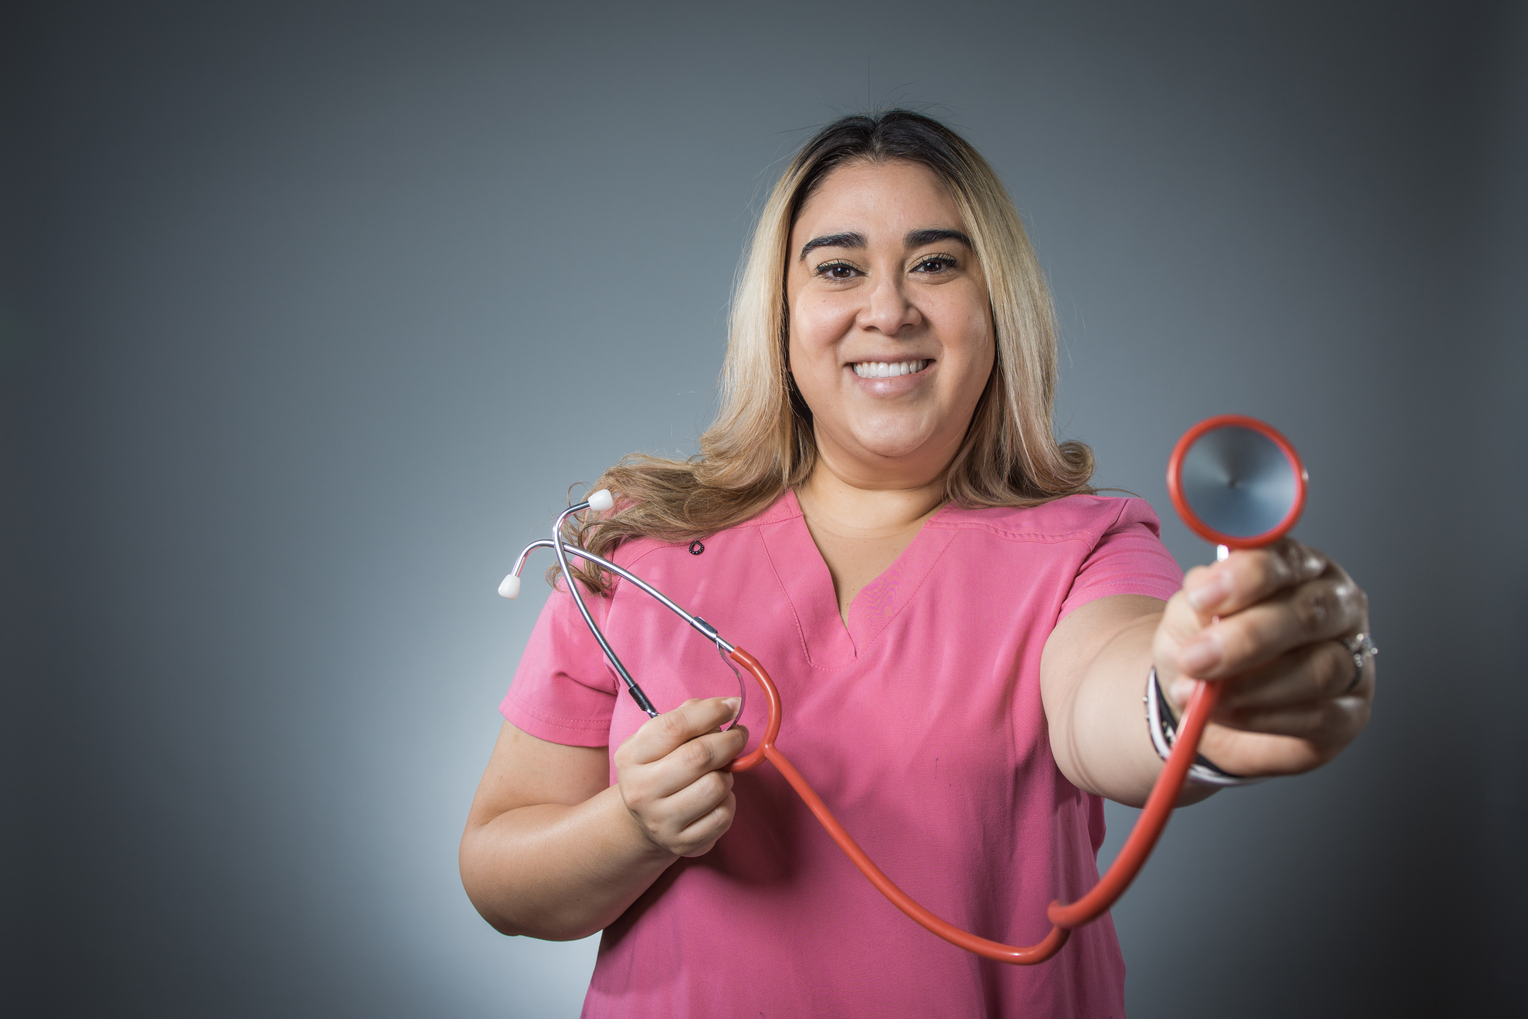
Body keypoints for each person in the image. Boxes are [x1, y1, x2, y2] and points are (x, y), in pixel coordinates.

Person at [459, 110, 1375, 1018]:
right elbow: (502, 875)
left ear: (995, 307)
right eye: (839, 268)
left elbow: (1115, 695)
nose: (889, 309)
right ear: (780, 315)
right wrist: (631, 827)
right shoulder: (641, 552)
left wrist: (1198, 695)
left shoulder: (1087, 547)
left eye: (936, 264)